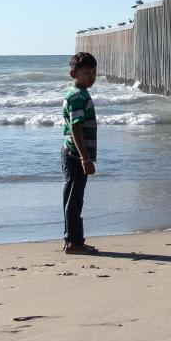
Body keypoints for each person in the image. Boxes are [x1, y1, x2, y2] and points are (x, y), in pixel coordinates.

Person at [61, 52, 99, 255]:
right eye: (86, 73)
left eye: (94, 72)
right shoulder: (77, 96)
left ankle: (72, 240)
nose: (92, 76)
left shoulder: (80, 93)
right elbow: (76, 128)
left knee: (74, 198)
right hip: (75, 154)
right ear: (73, 73)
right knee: (74, 199)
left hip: (74, 153)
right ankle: (74, 243)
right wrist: (85, 157)